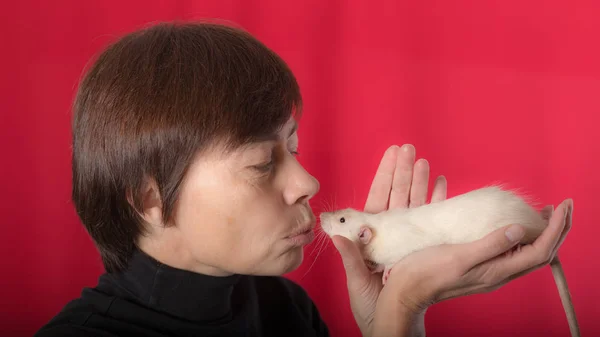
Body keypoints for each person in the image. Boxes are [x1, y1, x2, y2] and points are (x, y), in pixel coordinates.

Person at [34, 21, 573, 337]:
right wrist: (401, 305)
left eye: (292, 146)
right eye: (262, 163)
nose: (308, 182)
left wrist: (395, 317)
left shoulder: (286, 312)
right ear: (151, 197)